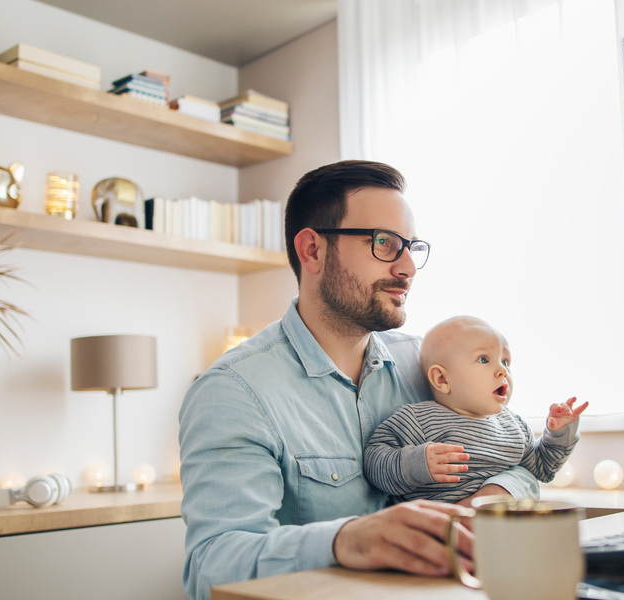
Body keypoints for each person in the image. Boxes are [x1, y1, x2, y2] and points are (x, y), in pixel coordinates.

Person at [178, 161, 540, 600]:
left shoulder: (427, 364)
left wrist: (489, 497)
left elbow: (518, 456)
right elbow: (211, 567)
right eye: (384, 243)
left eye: (411, 246)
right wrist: (345, 540)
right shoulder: (233, 391)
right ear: (312, 250)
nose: (407, 267)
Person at [364, 316, 587, 503]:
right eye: (484, 359)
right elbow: (374, 461)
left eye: (506, 362)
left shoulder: (515, 427)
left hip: (499, 534)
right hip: (434, 537)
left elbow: (542, 469)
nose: (502, 371)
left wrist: (559, 434)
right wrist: (415, 463)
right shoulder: (417, 420)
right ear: (442, 379)